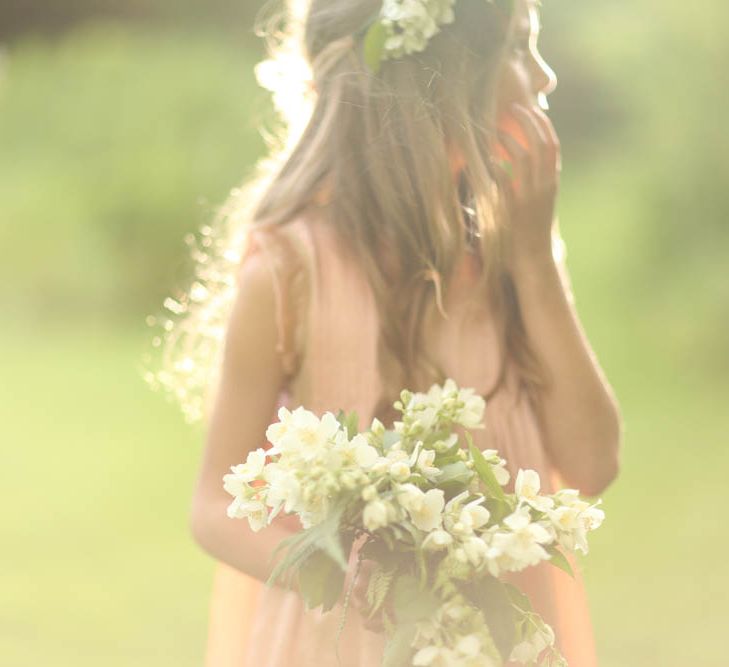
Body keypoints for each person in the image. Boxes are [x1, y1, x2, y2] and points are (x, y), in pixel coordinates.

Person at [155, 0, 622, 663]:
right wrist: (334, 577)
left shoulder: (509, 254)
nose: (545, 77)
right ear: (435, 84)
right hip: (340, 639)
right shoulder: (292, 270)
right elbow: (212, 505)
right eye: (519, 47)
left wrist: (535, 258)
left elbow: (594, 464)